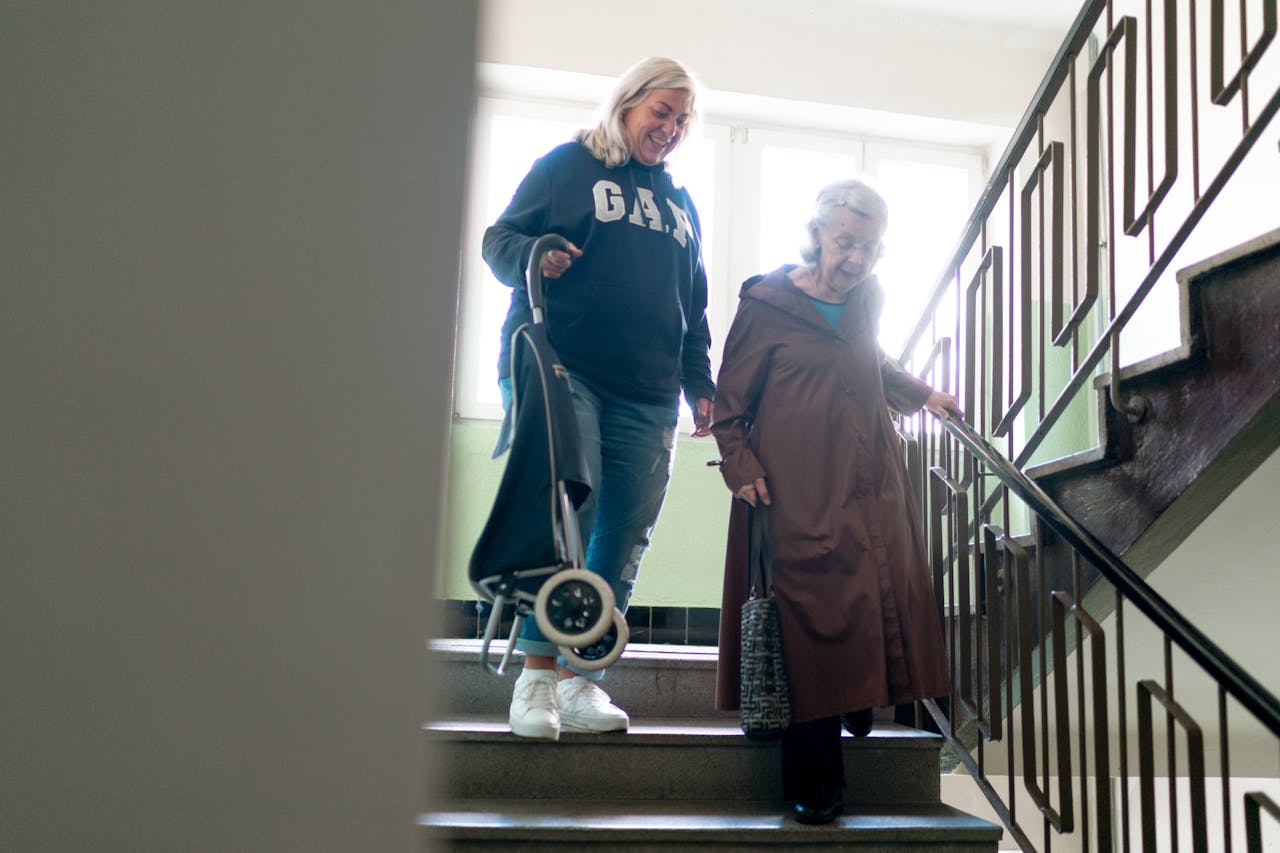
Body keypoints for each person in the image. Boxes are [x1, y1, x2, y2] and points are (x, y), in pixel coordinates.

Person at [710, 178, 958, 824]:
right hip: (793, 492)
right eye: (846, 242)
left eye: (870, 249)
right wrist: (741, 468)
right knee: (809, 628)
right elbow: (729, 407)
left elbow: (870, 359)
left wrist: (921, 394)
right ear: (817, 230)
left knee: (871, 597)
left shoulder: (867, 298)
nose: (856, 259)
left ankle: (857, 704)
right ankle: (814, 781)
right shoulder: (765, 303)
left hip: (869, 483)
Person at [481, 57, 715, 741]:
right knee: (564, 516)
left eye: (681, 119)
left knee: (624, 535)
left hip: (647, 394)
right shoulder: (566, 166)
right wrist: (538, 253)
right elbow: (499, 241)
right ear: (628, 103)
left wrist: (699, 383)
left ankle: (581, 681)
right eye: (660, 111)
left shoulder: (681, 204)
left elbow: (691, 307)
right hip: (562, 365)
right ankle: (534, 678)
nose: (669, 127)